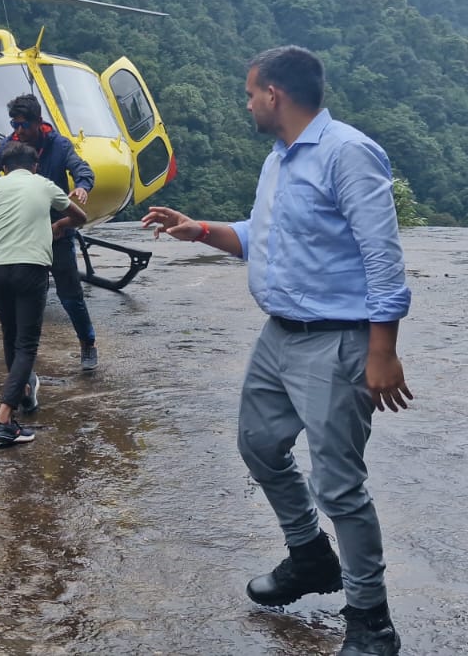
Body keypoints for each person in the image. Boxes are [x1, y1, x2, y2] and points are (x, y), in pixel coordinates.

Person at [140, 46, 414, 656]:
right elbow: (266, 235)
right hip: (279, 337)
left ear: (275, 95)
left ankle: (371, 619)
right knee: (259, 446)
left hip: (337, 342)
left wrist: (382, 350)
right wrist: (203, 229)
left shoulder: (347, 153)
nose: (247, 103)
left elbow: (382, 257)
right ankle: (312, 556)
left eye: (250, 93)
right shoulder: (279, 160)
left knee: (340, 486)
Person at [0, 143, 89, 446]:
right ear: (35, 166)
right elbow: (80, 217)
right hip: (31, 268)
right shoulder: (44, 185)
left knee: (10, 336)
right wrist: (59, 224)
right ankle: (3, 420)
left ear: (4, 168)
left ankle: (26, 394)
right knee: (27, 344)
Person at [0, 94, 101, 372]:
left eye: (23, 125)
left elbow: (81, 168)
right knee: (24, 299)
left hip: (56, 234)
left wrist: (82, 187)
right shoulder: (12, 143)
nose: (18, 131)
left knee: (70, 295)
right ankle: (21, 359)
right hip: (25, 235)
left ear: (38, 123)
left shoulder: (59, 145)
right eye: (14, 125)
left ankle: (87, 343)